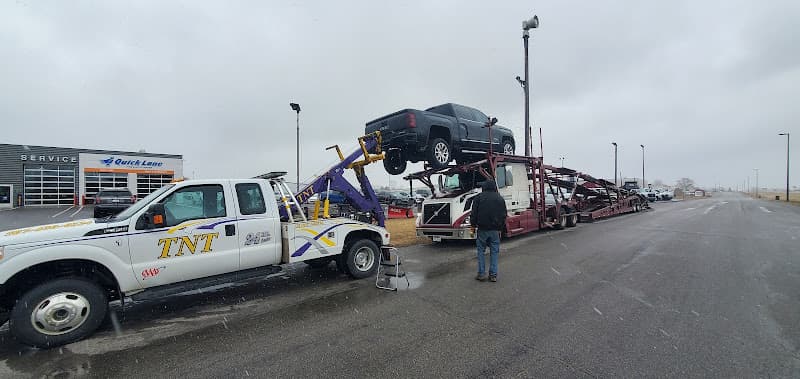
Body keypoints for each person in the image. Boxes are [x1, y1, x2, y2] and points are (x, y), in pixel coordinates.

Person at [470, 180, 507, 282]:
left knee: (481, 252)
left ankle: (481, 274)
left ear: (484, 187)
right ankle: (493, 275)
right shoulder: (500, 198)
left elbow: (473, 214)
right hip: (495, 230)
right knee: (494, 252)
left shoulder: (478, 198)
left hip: (482, 230)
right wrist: (500, 229)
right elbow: (504, 215)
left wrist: (472, 227)